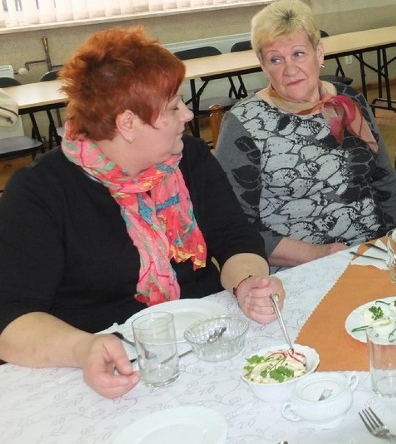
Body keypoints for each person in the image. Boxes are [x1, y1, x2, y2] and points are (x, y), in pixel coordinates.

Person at [0, 27, 283, 399]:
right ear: (128, 124)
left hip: (203, 342)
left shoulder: (190, 158)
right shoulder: (41, 192)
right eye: (173, 107)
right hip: (108, 368)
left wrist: (248, 283)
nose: (186, 115)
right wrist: (83, 349)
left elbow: (235, 239)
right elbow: (12, 320)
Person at [216, 0, 396, 267]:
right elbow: (236, 225)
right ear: (263, 65)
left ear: (319, 53)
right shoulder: (243, 123)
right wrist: (317, 254)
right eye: (276, 59)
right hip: (298, 268)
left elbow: (383, 179)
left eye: (299, 54)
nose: (290, 69)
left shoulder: (348, 101)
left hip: (372, 253)